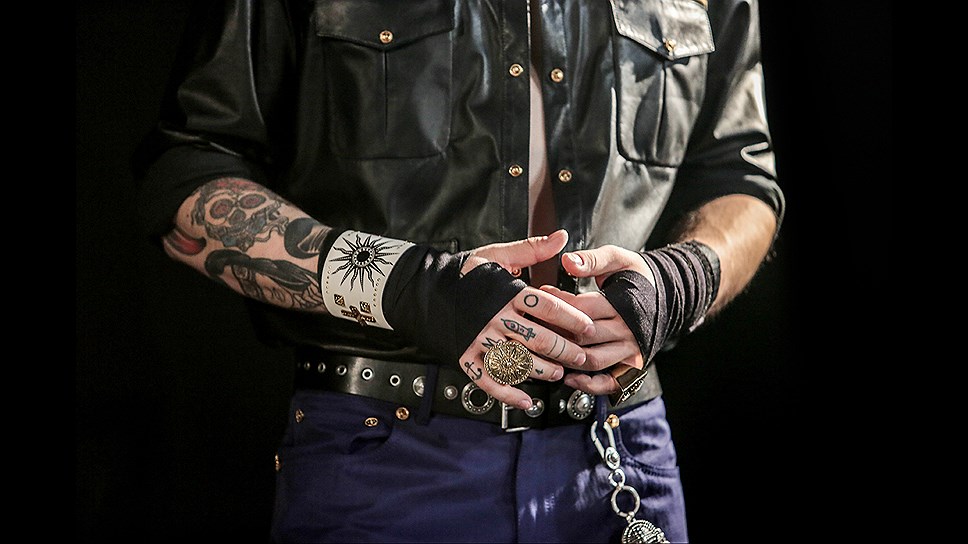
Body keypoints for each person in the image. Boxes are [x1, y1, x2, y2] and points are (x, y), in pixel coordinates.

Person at [133, 0, 783, 541]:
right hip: (385, 454)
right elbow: (187, 178)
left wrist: (679, 282)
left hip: (622, 454)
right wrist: (411, 287)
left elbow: (742, 176)